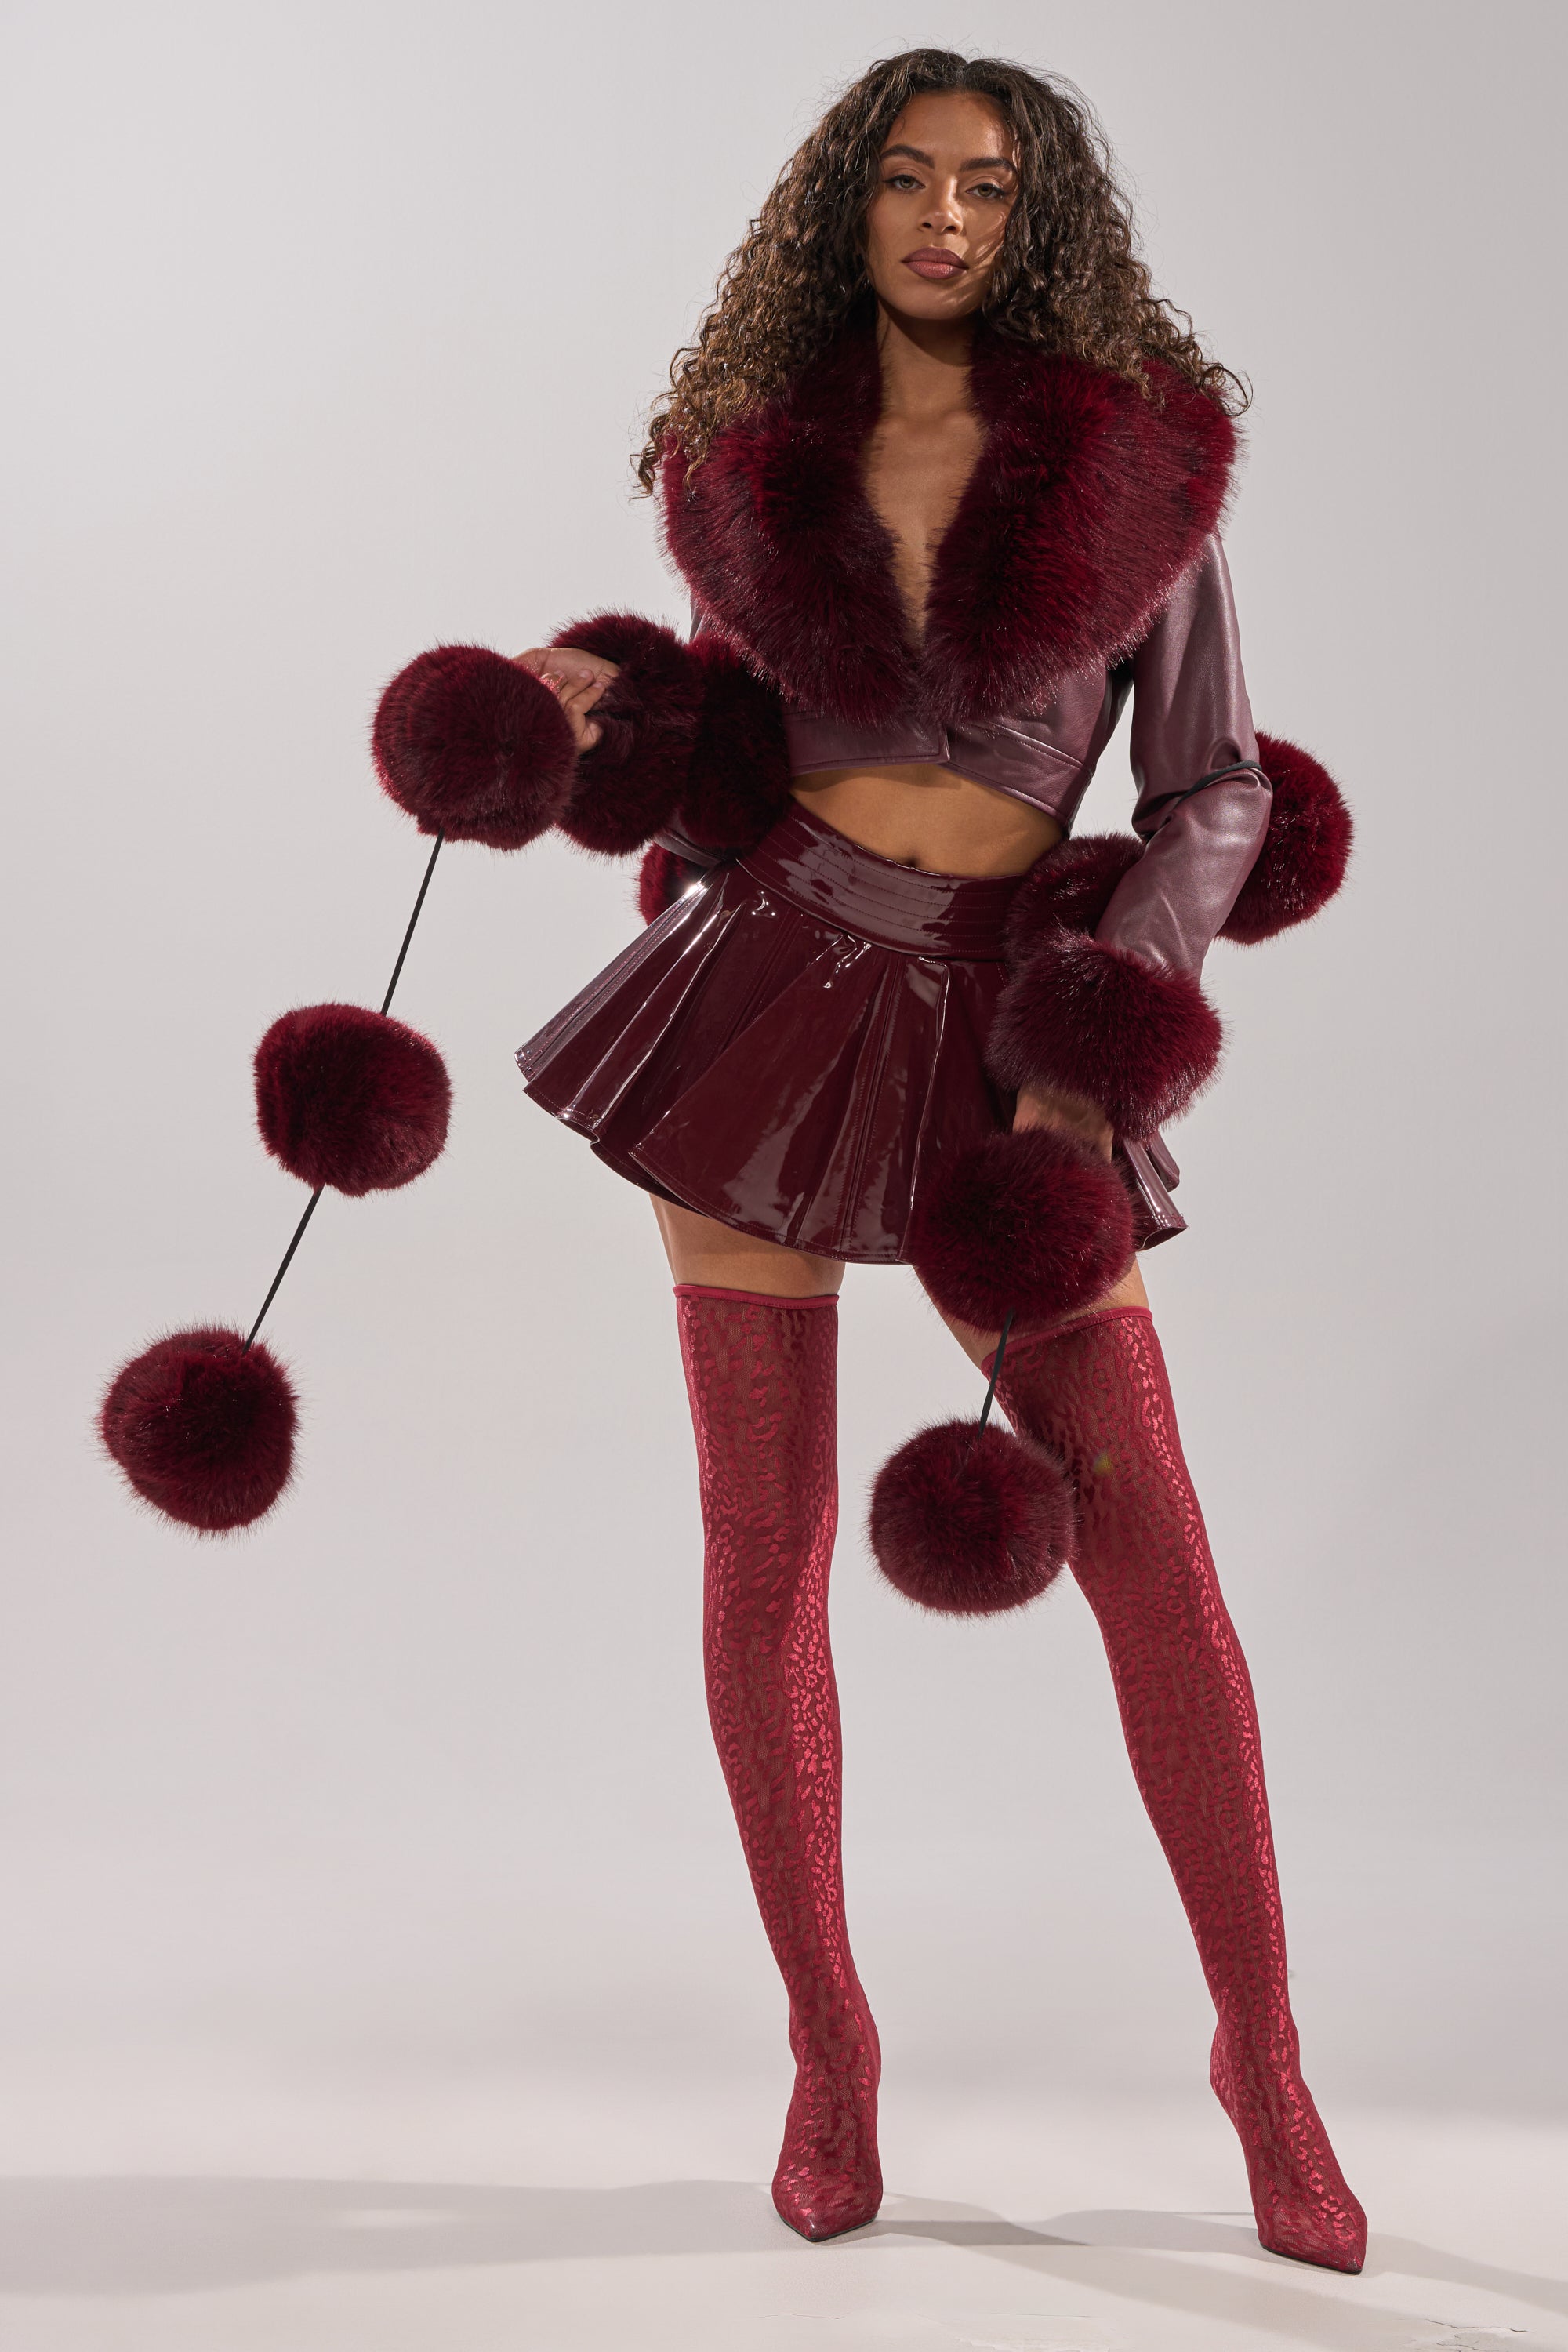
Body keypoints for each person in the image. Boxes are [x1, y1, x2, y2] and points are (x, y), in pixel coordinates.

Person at [508, 48, 1365, 2267]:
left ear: (1039, 215)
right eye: (906, 179)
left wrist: (1104, 1037)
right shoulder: (744, 462)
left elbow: (1216, 794)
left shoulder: (1144, 481)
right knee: (758, 1544)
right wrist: (590, 700)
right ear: (846, 208)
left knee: (1146, 1529)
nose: (947, 218)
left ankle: (1264, 2061)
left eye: (988, 186)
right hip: (765, 992)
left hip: (1013, 1034)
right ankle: (828, 2047)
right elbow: (725, 761)